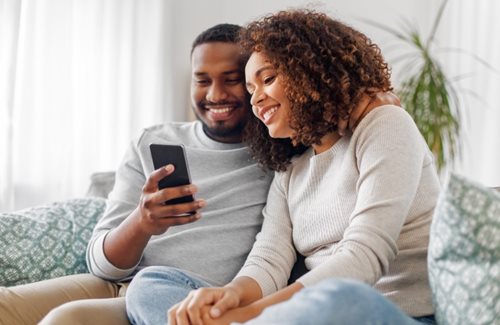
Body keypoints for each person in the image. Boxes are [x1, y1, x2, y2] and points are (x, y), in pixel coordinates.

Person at [0, 22, 394, 325]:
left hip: (198, 294)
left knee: (65, 320)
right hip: (127, 282)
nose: (215, 95)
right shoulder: (153, 141)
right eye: (202, 80)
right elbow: (100, 263)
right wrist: (142, 223)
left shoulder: (284, 150)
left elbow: (335, 134)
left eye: (233, 80)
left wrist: (371, 99)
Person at [165, 9, 441, 325]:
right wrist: (230, 296)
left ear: (310, 72)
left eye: (267, 79)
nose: (256, 100)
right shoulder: (290, 169)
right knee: (153, 285)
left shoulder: (384, 125)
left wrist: (246, 316)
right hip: (310, 315)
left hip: (386, 313)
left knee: (343, 296)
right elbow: (268, 260)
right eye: (251, 90)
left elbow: (363, 259)